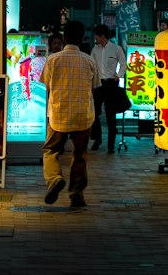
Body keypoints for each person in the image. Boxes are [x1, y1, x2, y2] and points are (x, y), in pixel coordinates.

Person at [41, 18, 100, 209]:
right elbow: (94, 88)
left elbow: (46, 87)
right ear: (82, 38)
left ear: (64, 38)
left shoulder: (53, 60)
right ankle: (76, 194)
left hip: (58, 114)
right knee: (79, 155)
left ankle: (54, 179)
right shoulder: (89, 61)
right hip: (83, 116)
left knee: (50, 151)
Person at [90, 23, 127, 153]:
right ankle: (97, 139)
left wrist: (118, 75)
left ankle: (111, 145)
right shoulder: (95, 50)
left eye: (96, 35)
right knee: (94, 113)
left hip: (111, 83)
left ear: (102, 36)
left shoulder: (116, 49)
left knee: (111, 115)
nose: (94, 37)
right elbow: (92, 66)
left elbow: (124, 64)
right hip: (98, 84)